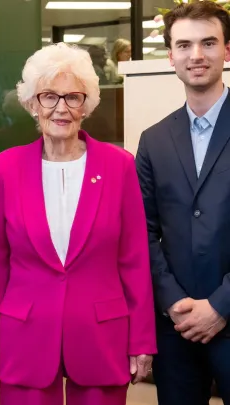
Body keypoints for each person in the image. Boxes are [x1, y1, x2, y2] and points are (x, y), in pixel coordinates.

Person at [0, 42, 156, 405]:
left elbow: (134, 261)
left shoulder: (119, 166)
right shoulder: (5, 168)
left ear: (85, 104)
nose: (61, 108)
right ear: (31, 103)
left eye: (73, 97)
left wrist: (142, 340)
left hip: (102, 334)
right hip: (24, 333)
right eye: (48, 96)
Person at [136, 2, 230, 404]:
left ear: (228, 50)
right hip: (175, 330)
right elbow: (142, 230)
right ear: (170, 55)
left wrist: (221, 304)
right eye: (184, 44)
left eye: (208, 42)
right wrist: (172, 300)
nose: (196, 55)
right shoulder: (153, 140)